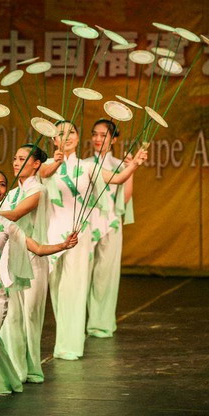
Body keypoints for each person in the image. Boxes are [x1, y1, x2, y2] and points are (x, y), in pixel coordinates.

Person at [0, 169, 77, 408]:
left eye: (2, 184)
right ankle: (5, 380)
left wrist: (64, 244)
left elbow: (38, 249)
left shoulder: (7, 224)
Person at [39, 121, 147, 360]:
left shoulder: (87, 167)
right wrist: (56, 161)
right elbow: (42, 175)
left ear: (77, 139)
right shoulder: (45, 165)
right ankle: (64, 341)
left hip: (79, 234)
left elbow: (117, 180)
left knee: (75, 288)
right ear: (54, 139)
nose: (66, 137)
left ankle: (70, 345)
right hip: (52, 236)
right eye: (60, 134)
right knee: (57, 291)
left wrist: (134, 165)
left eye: (71, 133)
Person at [0, 144, 50, 383]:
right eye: (15, 158)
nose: (16, 162)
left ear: (36, 163)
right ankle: (17, 369)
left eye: (22, 158)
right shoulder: (10, 194)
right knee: (13, 316)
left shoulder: (39, 189)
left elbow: (17, 215)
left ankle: (32, 368)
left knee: (31, 314)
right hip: (12, 258)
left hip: (34, 258)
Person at [84, 119, 134, 338]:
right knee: (83, 275)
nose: (97, 139)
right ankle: (82, 321)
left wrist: (131, 168)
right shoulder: (83, 164)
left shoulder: (120, 165)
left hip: (111, 223)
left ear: (113, 139)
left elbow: (124, 197)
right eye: (94, 134)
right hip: (87, 224)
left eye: (103, 135)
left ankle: (101, 322)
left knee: (106, 275)